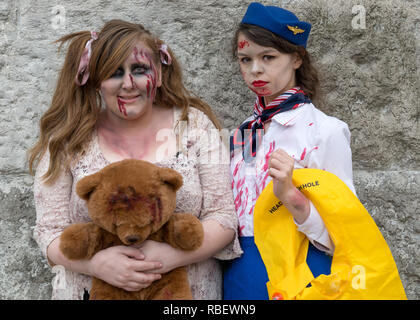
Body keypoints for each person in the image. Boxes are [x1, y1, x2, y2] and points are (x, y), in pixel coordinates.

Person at [29, 19, 241, 300]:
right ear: (94, 79)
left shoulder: (194, 127)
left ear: (160, 74)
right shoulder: (68, 140)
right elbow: (49, 230)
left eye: (139, 70)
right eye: (115, 73)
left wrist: (169, 256)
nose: (128, 84)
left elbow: (223, 216)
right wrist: (96, 264)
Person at [223, 3, 357, 299]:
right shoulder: (245, 131)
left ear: (296, 58)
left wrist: (294, 199)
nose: (255, 69)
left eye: (268, 57)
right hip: (240, 273)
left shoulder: (326, 131)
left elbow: (347, 235)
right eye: (245, 59)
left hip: (303, 271)